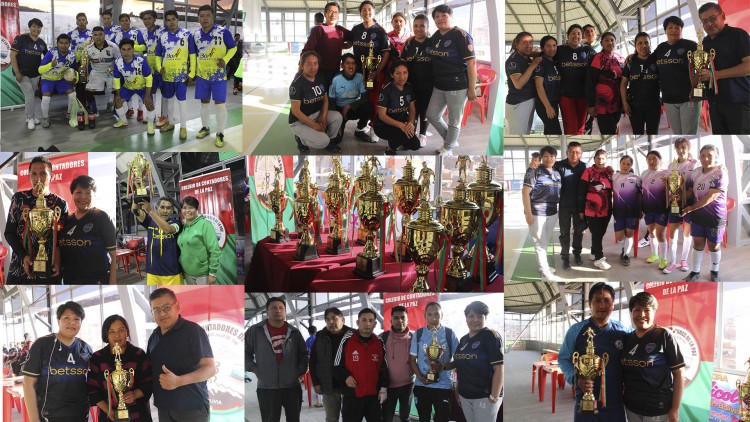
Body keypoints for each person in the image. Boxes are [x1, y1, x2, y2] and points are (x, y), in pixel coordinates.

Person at [558, 283, 627, 421]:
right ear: (590, 304)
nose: (602, 305)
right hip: (585, 404)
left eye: (607, 300)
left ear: (613, 304)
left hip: (615, 404)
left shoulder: (623, 331)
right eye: (597, 300)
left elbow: (640, 341)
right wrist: (575, 378)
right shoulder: (576, 330)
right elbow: (564, 359)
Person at [147, 288, 216, 422]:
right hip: (164, 408)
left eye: (166, 308)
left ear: (177, 306)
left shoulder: (193, 331)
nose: (162, 314)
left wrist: (179, 381)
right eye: (156, 310)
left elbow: (210, 369)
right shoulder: (154, 337)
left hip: (191, 408)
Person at [23, 301, 93, 422]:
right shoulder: (42, 345)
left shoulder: (85, 348)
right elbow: (28, 384)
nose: (72, 322)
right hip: (50, 415)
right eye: (66, 318)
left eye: (77, 319)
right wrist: (34, 419)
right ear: (58, 321)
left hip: (80, 414)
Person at [4, 156, 68, 284]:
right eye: (34, 174)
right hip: (20, 268)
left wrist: (58, 256)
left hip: (50, 268)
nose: (38, 178)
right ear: (29, 176)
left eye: (43, 173)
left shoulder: (60, 204)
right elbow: (9, 233)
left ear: (52, 176)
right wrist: (24, 256)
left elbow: (63, 237)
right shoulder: (18, 199)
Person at [622, 292, 684, 422]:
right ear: (631, 312)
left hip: (657, 408)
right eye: (637, 310)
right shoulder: (627, 339)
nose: (642, 314)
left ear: (654, 312)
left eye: (647, 310)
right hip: (631, 406)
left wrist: (675, 408)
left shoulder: (664, 335)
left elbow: (679, 375)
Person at [246, 297, 308, 422]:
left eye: (281, 308)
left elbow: (303, 354)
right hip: (267, 387)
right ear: (267, 312)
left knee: (294, 419)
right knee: (270, 419)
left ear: (285, 312)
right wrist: (254, 369)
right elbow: (245, 352)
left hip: (291, 386)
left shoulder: (294, 332)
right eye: (273, 308)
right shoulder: (255, 330)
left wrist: (299, 371)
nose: (278, 311)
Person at [425, 4, 476, 155]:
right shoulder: (436, 36)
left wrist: (472, 88)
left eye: (444, 15)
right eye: (437, 17)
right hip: (439, 84)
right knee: (431, 115)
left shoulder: (461, 35)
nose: (440, 19)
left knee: (454, 121)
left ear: (451, 17)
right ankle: (451, 140)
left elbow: (471, 63)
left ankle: (447, 148)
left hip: (457, 85)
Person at [87, 315, 153, 421]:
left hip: (138, 416)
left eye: (121, 330)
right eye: (111, 331)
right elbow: (92, 390)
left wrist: (134, 394)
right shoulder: (97, 358)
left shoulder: (138, 354)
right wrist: (109, 411)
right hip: (108, 416)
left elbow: (149, 383)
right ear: (106, 335)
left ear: (127, 332)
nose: (117, 335)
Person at [698, 2, 750, 134]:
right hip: (715, 103)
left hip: (738, 102)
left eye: (712, 19)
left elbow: (748, 66)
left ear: (723, 16)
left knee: (743, 140)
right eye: (704, 21)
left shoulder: (738, 35)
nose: (708, 24)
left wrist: (716, 74)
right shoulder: (705, 42)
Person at [192, 5, 238, 147]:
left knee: (219, 104)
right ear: (198, 18)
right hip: (202, 75)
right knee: (204, 102)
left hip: (218, 76)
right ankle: (205, 128)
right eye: (202, 16)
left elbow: (233, 47)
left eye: (208, 15)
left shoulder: (223, 32)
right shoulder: (195, 35)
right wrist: (192, 72)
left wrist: (225, 59)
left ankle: (220, 133)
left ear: (213, 17)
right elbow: (193, 55)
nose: (205, 18)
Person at [682, 144, 728, 282]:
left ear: (716, 158)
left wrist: (691, 208)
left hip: (715, 216)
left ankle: (714, 272)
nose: (706, 158)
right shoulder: (695, 172)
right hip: (698, 216)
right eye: (703, 155)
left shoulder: (720, 173)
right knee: (697, 243)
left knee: (713, 245)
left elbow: (711, 196)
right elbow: (690, 190)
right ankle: (695, 272)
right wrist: (679, 198)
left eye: (710, 156)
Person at [58, 175, 117, 284]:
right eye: (78, 192)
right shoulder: (67, 220)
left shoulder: (101, 217)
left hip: (96, 281)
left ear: (94, 194)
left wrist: (112, 284)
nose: (83, 197)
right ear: (72, 194)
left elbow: (114, 255)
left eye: (88, 193)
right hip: (69, 280)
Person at [334, 308, 389, 422]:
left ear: (375, 324)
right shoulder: (347, 339)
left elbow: (384, 368)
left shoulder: (379, 342)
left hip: (373, 398)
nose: (367, 323)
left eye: (370, 320)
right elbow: (337, 364)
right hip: (352, 397)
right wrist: (346, 376)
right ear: (358, 323)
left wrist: (383, 388)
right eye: (364, 320)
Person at [451, 301, 503, 422]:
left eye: (480, 316)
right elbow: (460, 365)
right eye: (471, 316)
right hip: (465, 395)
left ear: (485, 318)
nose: (475, 320)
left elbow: (499, 368)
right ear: (466, 318)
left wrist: (494, 396)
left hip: (484, 396)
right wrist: (458, 390)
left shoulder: (491, 336)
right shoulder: (463, 340)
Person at [348, 0, 391, 144]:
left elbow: (386, 53)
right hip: (357, 72)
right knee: (358, 98)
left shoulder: (380, 31)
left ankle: (372, 127)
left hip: (372, 73)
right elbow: (347, 43)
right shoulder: (356, 29)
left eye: (369, 10)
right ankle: (361, 126)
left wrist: (377, 71)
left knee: (372, 100)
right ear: (360, 12)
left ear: (374, 11)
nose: (367, 12)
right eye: (364, 10)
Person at [409, 302, 459, 422]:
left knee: (442, 418)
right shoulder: (419, 333)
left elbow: (458, 360)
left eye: (437, 314)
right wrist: (420, 377)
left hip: (443, 386)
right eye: (430, 314)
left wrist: (443, 367)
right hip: (422, 385)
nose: (433, 318)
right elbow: (412, 360)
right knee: (423, 418)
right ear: (425, 316)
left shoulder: (449, 334)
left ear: (442, 316)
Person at [289, 51, 344, 153]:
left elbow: (325, 100)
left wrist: (323, 117)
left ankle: (331, 141)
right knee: (323, 141)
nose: (313, 67)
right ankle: (302, 140)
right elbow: (296, 111)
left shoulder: (320, 77)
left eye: (315, 63)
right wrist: (315, 126)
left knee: (337, 117)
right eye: (309, 64)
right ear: (302, 66)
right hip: (299, 121)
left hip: (316, 115)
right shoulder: (297, 84)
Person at [653, 16, 699, 134]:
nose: (674, 30)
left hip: (689, 98)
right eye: (670, 27)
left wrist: (697, 91)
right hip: (669, 98)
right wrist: (633, 55)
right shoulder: (661, 48)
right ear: (665, 30)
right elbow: (648, 60)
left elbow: (701, 69)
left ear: (681, 29)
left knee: (688, 133)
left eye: (677, 27)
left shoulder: (691, 46)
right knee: (677, 133)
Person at [522, 145, 562, 282]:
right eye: (545, 156)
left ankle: (542, 266)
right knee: (539, 243)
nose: (549, 159)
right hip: (536, 212)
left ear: (555, 158)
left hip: (552, 212)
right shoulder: (534, 170)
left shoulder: (557, 174)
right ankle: (546, 272)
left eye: (552, 156)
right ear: (541, 158)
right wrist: (528, 213)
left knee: (544, 242)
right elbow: (525, 192)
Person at [158, 9, 196, 140]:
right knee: (169, 100)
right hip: (167, 75)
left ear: (177, 20)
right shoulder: (162, 36)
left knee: (182, 101)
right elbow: (158, 55)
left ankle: (183, 127)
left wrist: (192, 72)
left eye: (173, 19)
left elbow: (192, 55)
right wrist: (159, 67)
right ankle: (171, 123)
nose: (171, 22)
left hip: (181, 75)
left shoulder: (186, 34)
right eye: (168, 20)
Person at [310, 307, 353, 422]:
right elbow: (313, 361)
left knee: (350, 417)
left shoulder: (353, 335)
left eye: (334, 318)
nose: (331, 322)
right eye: (328, 319)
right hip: (329, 385)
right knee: (331, 418)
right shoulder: (320, 336)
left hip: (350, 385)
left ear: (343, 320)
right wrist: (316, 383)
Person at [664, 138, 699, 274]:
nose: (681, 150)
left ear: (688, 148)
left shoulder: (695, 164)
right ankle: (672, 262)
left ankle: (683, 260)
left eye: (684, 147)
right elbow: (668, 184)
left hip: (690, 203)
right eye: (678, 148)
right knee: (672, 233)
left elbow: (706, 171)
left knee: (687, 233)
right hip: (674, 202)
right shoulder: (671, 166)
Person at [132, 197, 183, 285]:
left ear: (172, 210)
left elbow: (168, 229)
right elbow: (135, 211)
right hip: (153, 272)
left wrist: (150, 212)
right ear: (157, 208)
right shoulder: (150, 221)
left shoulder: (177, 223)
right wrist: (137, 198)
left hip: (172, 273)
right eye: (162, 207)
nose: (165, 211)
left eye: (168, 208)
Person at [578, 149, 614, 270]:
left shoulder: (609, 173)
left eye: (603, 158)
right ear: (594, 159)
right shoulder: (587, 172)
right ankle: (599, 258)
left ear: (606, 160)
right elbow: (581, 193)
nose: (600, 161)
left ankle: (593, 252)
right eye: (598, 158)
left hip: (607, 209)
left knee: (600, 233)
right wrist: (581, 211)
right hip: (591, 210)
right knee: (597, 233)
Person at [375, 60, 421, 154]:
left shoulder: (409, 87)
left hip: (401, 123)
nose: (402, 77)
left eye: (405, 73)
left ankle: (398, 139)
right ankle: (390, 148)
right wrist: (402, 126)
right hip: (383, 126)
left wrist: (410, 123)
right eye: (398, 73)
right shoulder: (386, 89)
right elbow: (382, 116)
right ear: (392, 75)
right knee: (404, 134)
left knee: (415, 145)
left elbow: (412, 109)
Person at [557, 24, 596, 134]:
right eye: (573, 33)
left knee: (580, 126)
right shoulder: (560, 50)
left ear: (582, 36)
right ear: (568, 35)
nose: (576, 36)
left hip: (583, 95)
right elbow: (546, 54)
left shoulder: (587, 50)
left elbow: (602, 58)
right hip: (566, 95)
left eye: (579, 33)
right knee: (570, 126)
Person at [112, 38, 156, 134]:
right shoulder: (117, 62)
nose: (126, 52)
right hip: (128, 87)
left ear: (133, 50)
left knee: (150, 105)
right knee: (117, 103)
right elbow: (116, 79)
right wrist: (118, 95)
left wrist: (148, 96)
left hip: (143, 87)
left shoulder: (141, 61)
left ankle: (150, 125)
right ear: (120, 50)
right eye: (123, 49)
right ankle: (123, 121)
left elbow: (149, 78)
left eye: (129, 49)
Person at [302, 2, 351, 89]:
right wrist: (303, 67)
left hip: (335, 72)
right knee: (320, 99)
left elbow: (355, 36)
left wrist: (346, 45)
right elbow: (307, 50)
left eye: (336, 12)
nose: (333, 14)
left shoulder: (341, 31)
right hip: (319, 72)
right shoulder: (318, 29)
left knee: (332, 98)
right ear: (325, 13)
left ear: (338, 15)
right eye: (330, 11)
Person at [621, 32, 661, 135]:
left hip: (654, 105)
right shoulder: (630, 63)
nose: (643, 46)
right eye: (640, 43)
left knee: (653, 133)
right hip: (635, 106)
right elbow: (623, 84)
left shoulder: (656, 61)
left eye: (646, 43)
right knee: (637, 133)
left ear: (650, 44)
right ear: (635, 45)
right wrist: (625, 103)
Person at [11, 18, 47, 130]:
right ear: (30, 27)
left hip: (35, 74)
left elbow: (47, 58)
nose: (36, 29)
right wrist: (17, 72)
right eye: (34, 26)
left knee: (30, 96)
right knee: (30, 95)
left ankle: (29, 117)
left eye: (39, 27)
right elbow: (12, 56)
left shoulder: (42, 43)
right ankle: (31, 118)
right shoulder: (21, 39)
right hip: (22, 73)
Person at [401, 14, 432, 145]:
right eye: (415, 26)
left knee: (425, 111)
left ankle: (423, 134)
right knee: (412, 110)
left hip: (428, 85)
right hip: (410, 85)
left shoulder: (433, 43)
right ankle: (410, 132)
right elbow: (402, 63)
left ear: (427, 27)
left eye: (422, 26)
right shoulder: (408, 43)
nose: (418, 29)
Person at [177, 196, 221, 284]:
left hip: (203, 274)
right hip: (187, 273)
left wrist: (212, 273)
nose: (187, 210)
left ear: (197, 209)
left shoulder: (205, 225)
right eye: (184, 208)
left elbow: (215, 250)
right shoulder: (183, 226)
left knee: (205, 297)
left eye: (191, 207)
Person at [380, 306, 414, 422]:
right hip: (389, 387)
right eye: (396, 318)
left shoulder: (414, 338)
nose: (400, 320)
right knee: (387, 418)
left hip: (408, 385)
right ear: (391, 321)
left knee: (405, 417)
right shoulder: (383, 338)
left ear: (407, 320)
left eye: (403, 317)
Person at [328, 53, 373, 142]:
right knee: (336, 140)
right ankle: (339, 126)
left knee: (369, 107)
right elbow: (331, 101)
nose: (350, 66)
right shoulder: (336, 79)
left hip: (352, 108)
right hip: (339, 110)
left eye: (353, 63)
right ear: (342, 65)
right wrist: (337, 119)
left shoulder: (359, 77)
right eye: (347, 63)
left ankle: (360, 129)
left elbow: (365, 98)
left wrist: (349, 106)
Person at [586, 32, 623, 135]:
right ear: (601, 43)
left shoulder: (619, 58)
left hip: (617, 104)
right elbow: (590, 82)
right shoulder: (597, 58)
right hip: (602, 106)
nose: (610, 42)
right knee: (608, 132)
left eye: (612, 40)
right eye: (606, 40)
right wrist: (591, 105)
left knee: (613, 130)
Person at [38, 34, 77, 129]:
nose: (63, 45)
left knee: (72, 94)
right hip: (48, 78)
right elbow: (40, 70)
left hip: (60, 79)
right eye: (61, 43)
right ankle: (45, 118)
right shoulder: (51, 53)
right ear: (57, 43)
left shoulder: (71, 56)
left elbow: (74, 70)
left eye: (66, 43)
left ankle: (69, 113)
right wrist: (51, 64)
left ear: (69, 44)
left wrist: (74, 77)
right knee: (46, 98)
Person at [505, 32, 539, 134]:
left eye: (530, 42)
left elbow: (538, 52)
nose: (529, 46)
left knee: (526, 131)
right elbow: (518, 84)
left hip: (528, 100)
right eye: (525, 43)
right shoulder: (513, 60)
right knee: (518, 133)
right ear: (516, 45)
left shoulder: (525, 56)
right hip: (519, 103)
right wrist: (533, 65)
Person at [641, 151, 670, 270]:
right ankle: (654, 254)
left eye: (654, 159)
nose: (651, 161)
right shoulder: (643, 174)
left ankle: (663, 258)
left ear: (660, 160)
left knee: (660, 234)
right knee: (651, 233)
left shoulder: (665, 173)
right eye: (649, 159)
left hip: (661, 210)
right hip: (648, 209)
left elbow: (673, 190)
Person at [114, 13, 147, 120]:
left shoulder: (137, 32)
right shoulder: (117, 35)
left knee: (140, 88)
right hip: (123, 66)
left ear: (129, 21)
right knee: (127, 87)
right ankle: (130, 108)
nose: (124, 22)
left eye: (126, 20)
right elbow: (115, 48)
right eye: (122, 21)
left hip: (137, 65)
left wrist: (132, 47)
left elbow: (143, 47)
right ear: (120, 23)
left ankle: (141, 110)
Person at [140, 10, 168, 128]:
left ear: (155, 19)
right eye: (144, 19)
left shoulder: (162, 31)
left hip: (162, 67)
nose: (147, 21)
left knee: (165, 92)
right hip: (149, 67)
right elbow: (142, 49)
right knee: (152, 91)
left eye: (149, 18)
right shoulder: (142, 33)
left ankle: (164, 116)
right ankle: (152, 113)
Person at [612, 155, 641, 266]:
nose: (625, 166)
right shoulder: (613, 177)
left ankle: (626, 254)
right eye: (623, 163)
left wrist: (640, 210)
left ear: (631, 166)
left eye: (628, 164)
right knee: (619, 237)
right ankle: (624, 246)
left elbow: (639, 195)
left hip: (632, 211)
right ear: (620, 164)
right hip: (618, 210)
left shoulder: (636, 178)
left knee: (629, 233)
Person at [83, 26, 118, 119]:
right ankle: (94, 110)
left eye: (100, 34)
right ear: (92, 37)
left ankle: (116, 111)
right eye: (95, 35)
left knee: (117, 89)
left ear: (104, 35)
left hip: (110, 71)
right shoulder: (88, 49)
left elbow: (119, 61)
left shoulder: (113, 47)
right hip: (96, 71)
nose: (98, 37)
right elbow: (84, 65)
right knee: (87, 90)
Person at [534, 35, 562, 134]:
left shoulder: (554, 61)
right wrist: (547, 106)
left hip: (553, 102)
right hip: (544, 103)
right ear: (542, 48)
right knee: (556, 132)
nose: (552, 49)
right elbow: (539, 86)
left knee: (549, 132)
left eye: (554, 45)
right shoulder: (541, 62)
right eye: (548, 46)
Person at [68, 13, 93, 111]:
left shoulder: (92, 34)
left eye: (83, 20)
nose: (81, 22)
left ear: (86, 21)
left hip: (88, 64)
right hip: (76, 64)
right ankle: (80, 107)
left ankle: (90, 106)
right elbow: (64, 47)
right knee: (79, 86)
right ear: (77, 22)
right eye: (79, 20)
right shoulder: (71, 34)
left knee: (87, 86)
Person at [306, 326, 324, 407]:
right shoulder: (321, 338)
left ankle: (320, 401)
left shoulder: (308, 340)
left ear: (309, 332)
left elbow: (307, 352)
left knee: (316, 381)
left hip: (313, 363)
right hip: (323, 362)